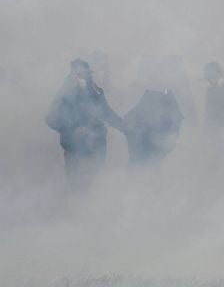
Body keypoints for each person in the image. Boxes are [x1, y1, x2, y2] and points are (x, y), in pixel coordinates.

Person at [45, 59, 123, 192]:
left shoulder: (96, 91)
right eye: (80, 74)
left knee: (93, 183)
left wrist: (123, 125)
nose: (84, 78)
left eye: (86, 74)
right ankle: (76, 208)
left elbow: (106, 112)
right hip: (74, 148)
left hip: (97, 146)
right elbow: (50, 118)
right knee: (77, 185)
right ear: (73, 75)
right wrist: (73, 129)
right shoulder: (64, 95)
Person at [119, 89, 183, 166]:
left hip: (150, 147)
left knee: (147, 167)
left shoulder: (166, 99)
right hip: (145, 146)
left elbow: (174, 124)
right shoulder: (164, 99)